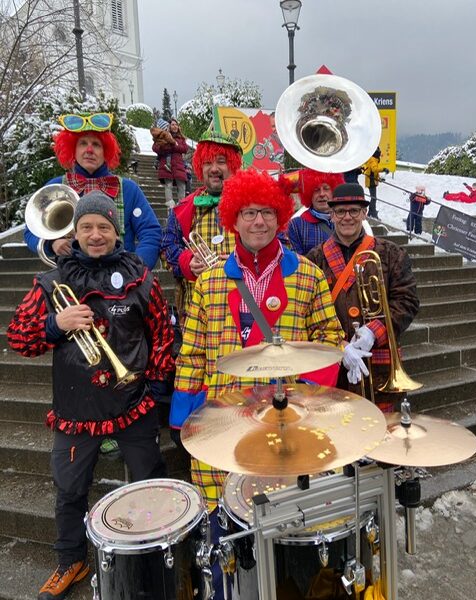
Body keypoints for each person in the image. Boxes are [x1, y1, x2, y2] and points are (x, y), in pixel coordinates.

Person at [169, 168, 344, 598]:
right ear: (234, 218)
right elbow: (191, 353)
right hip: (223, 425)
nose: (259, 221)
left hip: (287, 424)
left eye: (267, 212)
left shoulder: (308, 275)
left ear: (280, 216)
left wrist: (305, 398)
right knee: (226, 534)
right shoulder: (209, 281)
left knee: (288, 529)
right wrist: (183, 419)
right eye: (248, 212)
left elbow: (330, 340)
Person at [8, 191, 175, 600]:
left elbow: (162, 334)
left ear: (116, 232)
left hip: (132, 403)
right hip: (76, 408)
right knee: (69, 489)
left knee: (149, 480)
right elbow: (18, 338)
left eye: (103, 226)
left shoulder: (140, 277)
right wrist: (56, 323)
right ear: (75, 233)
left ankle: (152, 553)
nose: (95, 235)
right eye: (86, 227)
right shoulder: (51, 282)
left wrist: (155, 387)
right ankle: (71, 560)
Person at [307, 183, 419, 413]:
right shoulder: (314, 258)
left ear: (364, 213)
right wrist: (339, 346)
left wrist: (373, 331)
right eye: (340, 211)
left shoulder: (392, 253)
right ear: (332, 215)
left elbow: (407, 301)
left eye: (354, 210)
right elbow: (308, 314)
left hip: (380, 364)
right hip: (334, 365)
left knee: (383, 429)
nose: (347, 217)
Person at [24, 112, 163, 271]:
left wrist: (136, 268)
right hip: (71, 278)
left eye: (96, 144)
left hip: (122, 279)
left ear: (106, 151)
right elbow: (31, 231)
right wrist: (51, 243)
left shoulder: (128, 189)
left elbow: (150, 232)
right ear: (73, 149)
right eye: (83, 143)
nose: (89, 150)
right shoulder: (55, 187)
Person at [161, 130, 243, 318]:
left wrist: (245, 261)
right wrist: (187, 262)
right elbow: (166, 248)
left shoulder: (252, 204)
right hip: (198, 313)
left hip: (244, 307)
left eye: (221, 161)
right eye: (207, 162)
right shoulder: (183, 208)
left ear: (233, 165)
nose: (214, 169)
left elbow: (278, 245)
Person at [287, 169, 344, 255]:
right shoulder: (296, 225)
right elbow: (296, 260)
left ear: (334, 191)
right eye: (316, 190)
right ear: (309, 194)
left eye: (326, 188)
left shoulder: (347, 220)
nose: (322, 194)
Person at [152, 117, 189, 208]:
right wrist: (166, 147)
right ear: (169, 126)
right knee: (168, 184)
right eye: (173, 124)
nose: (175, 126)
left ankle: (182, 205)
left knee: (181, 185)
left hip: (178, 165)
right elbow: (155, 148)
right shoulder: (162, 136)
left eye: (176, 125)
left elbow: (185, 149)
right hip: (166, 164)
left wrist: (174, 145)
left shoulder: (181, 138)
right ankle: (170, 204)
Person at [362, 147, 388, 219]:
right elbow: (374, 169)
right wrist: (383, 169)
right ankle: (372, 212)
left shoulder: (373, 160)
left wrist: (379, 179)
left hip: (372, 180)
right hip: (371, 181)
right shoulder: (373, 160)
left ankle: (371, 212)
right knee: (373, 198)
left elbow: (374, 173)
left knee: (373, 198)